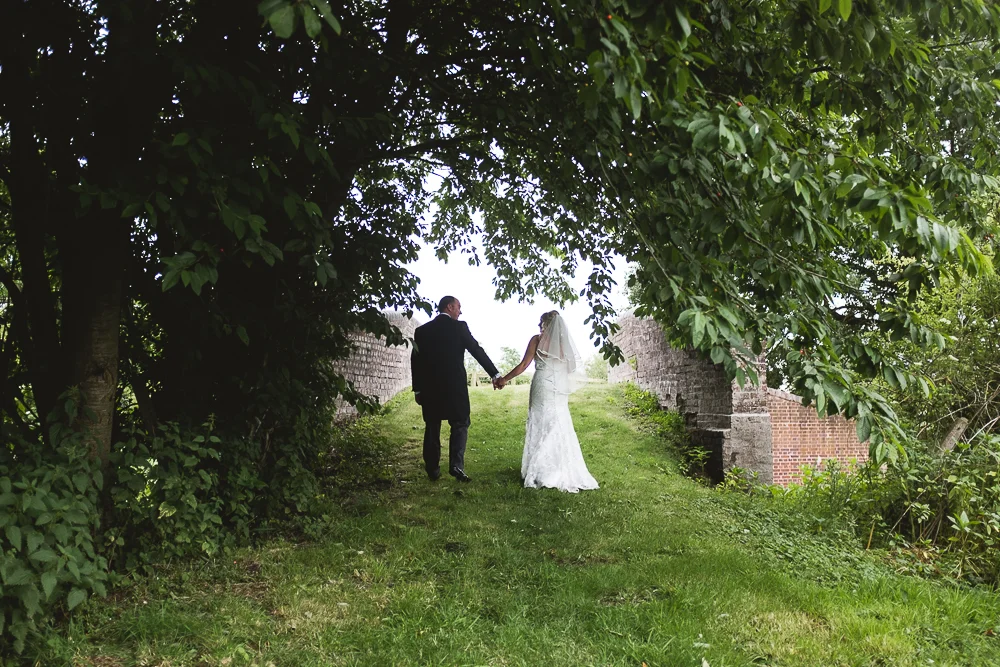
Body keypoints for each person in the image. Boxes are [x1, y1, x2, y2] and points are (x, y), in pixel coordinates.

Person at [498, 311, 599, 493]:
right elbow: (572, 368)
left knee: (541, 420)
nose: (539, 326)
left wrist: (504, 379)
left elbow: (523, 365)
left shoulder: (536, 340)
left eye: (541, 323)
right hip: (558, 386)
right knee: (558, 422)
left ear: (545, 324)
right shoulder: (564, 344)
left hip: (542, 385)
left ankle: (541, 470)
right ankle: (559, 468)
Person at [411, 296, 503, 482]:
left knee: (432, 426)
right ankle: (456, 466)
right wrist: (495, 374)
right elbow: (476, 350)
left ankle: (433, 469)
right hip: (455, 387)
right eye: (459, 307)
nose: (460, 312)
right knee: (460, 423)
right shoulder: (459, 327)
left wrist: (418, 390)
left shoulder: (421, 331)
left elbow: (415, 361)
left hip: (429, 389)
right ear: (450, 307)